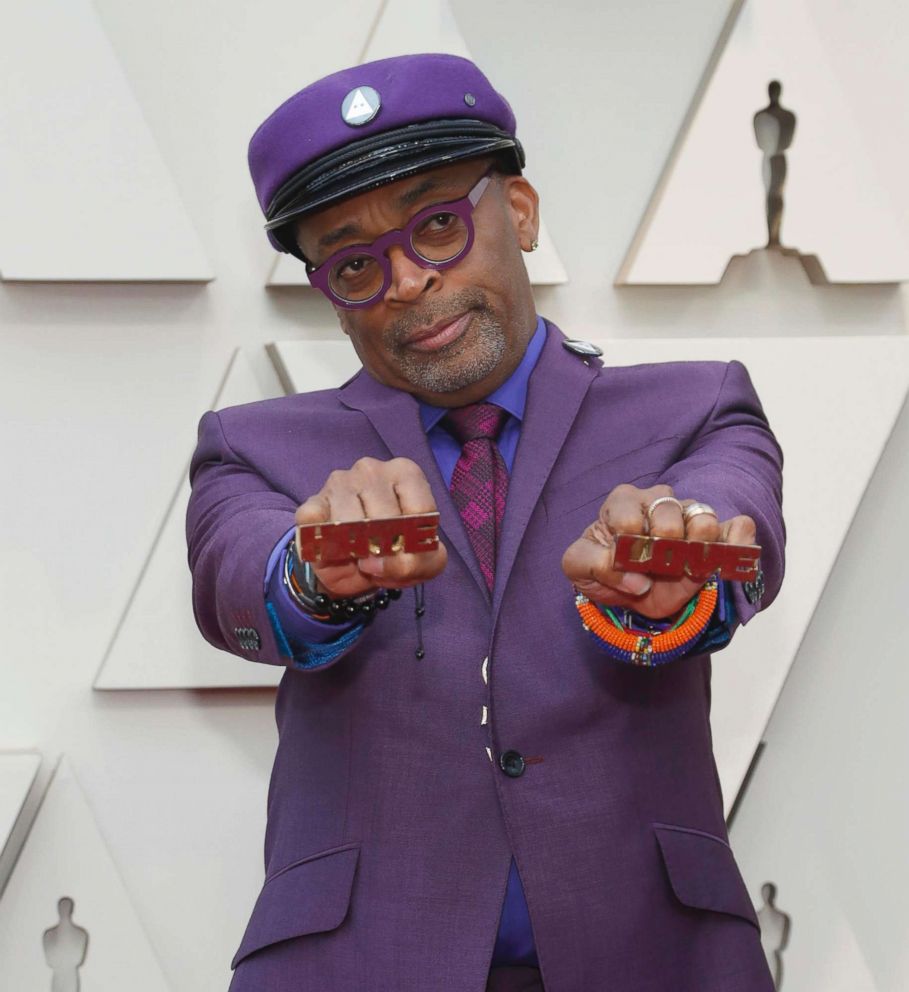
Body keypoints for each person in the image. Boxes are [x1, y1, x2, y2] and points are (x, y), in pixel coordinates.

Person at [186, 54, 784, 992]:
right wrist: (312, 573)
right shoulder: (253, 446)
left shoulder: (695, 408)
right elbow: (236, 576)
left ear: (521, 212)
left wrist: (669, 571)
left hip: (655, 959)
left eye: (436, 226)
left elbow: (734, 517)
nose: (408, 282)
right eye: (353, 262)